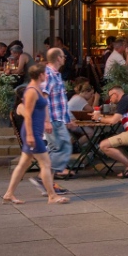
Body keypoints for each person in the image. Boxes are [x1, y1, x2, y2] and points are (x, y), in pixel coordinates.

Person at [1, 65, 69, 205]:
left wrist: (47, 122)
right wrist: (31, 135)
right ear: (40, 75)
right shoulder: (31, 91)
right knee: (46, 163)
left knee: (23, 164)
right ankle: (52, 195)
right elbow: (28, 115)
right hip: (32, 132)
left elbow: (44, 107)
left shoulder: (38, 88)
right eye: (45, 74)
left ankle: (9, 194)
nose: (47, 76)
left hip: (35, 131)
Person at [44, 48, 76, 181]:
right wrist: (46, 121)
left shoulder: (56, 74)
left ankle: (49, 179)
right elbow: (44, 98)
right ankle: (46, 177)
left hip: (58, 118)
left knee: (63, 146)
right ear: (58, 58)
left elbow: (61, 100)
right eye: (63, 56)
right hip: (52, 118)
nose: (64, 59)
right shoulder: (48, 75)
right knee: (59, 147)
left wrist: (67, 120)